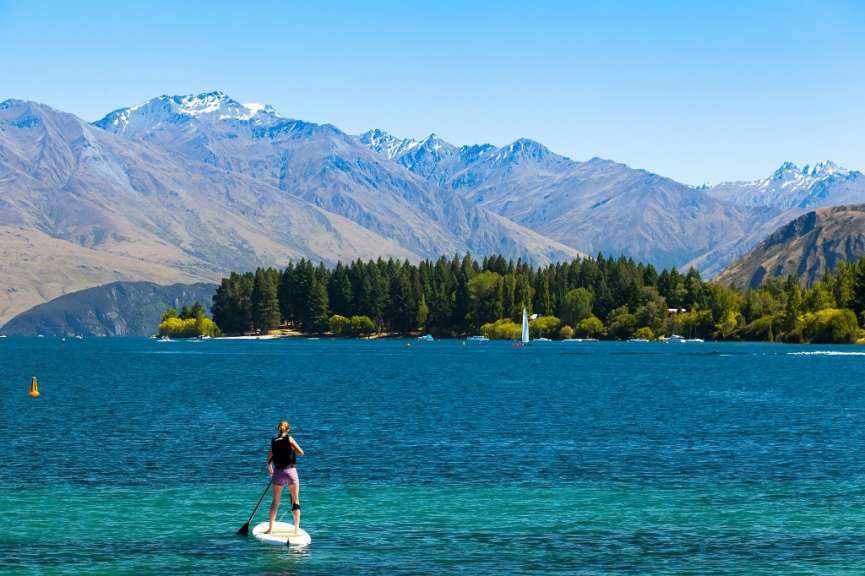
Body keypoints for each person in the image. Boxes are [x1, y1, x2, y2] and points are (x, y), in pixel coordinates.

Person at [264, 420, 304, 534]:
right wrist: (292, 449)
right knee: (295, 501)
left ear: (278, 429)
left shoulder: (274, 442)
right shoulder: (289, 439)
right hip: (290, 472)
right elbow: (301, 453)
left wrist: (271, 471)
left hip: (278, 473)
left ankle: (270, 529)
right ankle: (296, 530)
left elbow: (268, 460)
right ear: (288, 430)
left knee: (275, 502)